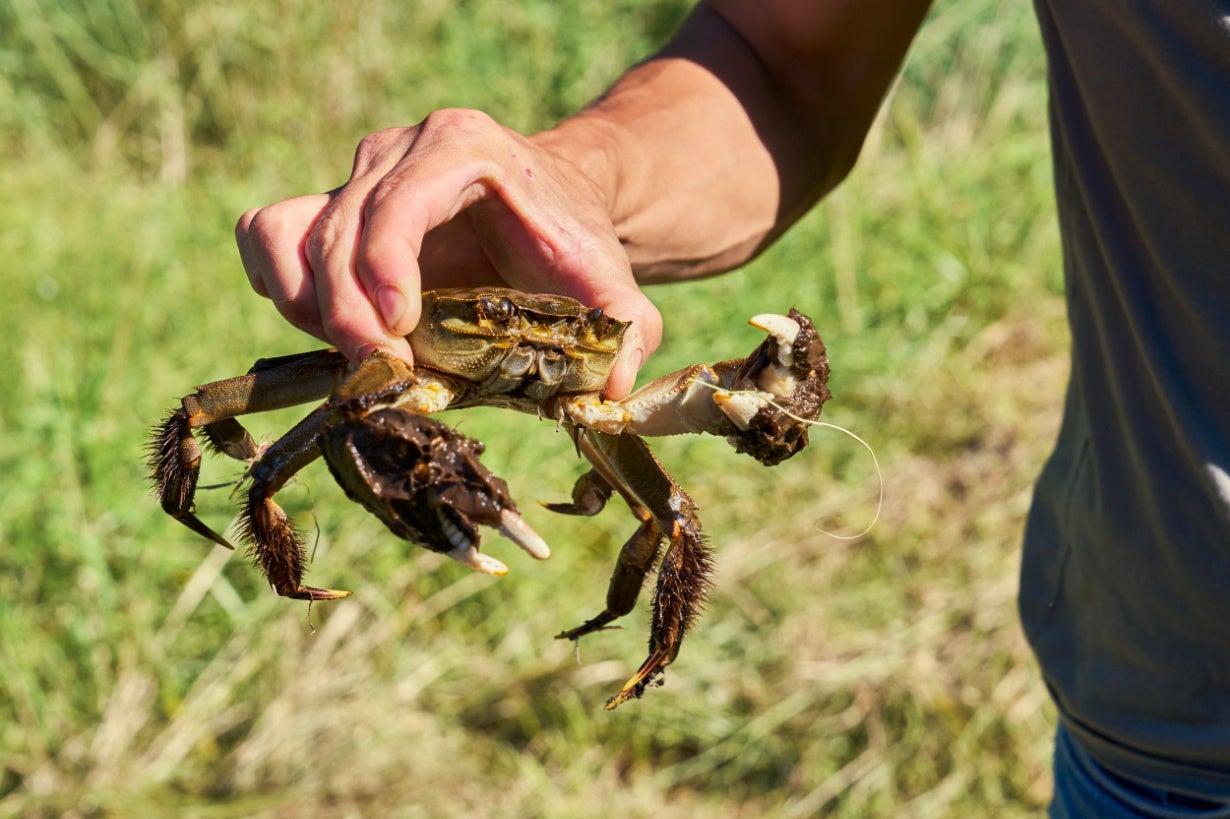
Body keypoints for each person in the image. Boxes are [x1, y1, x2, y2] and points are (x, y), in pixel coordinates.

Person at [234, 1, 1230, 814]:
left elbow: (675, 517)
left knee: (670, 521)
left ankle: (644, 645)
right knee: (341, 408)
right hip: (1163, 734)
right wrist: (576, 176)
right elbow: (781, 58)